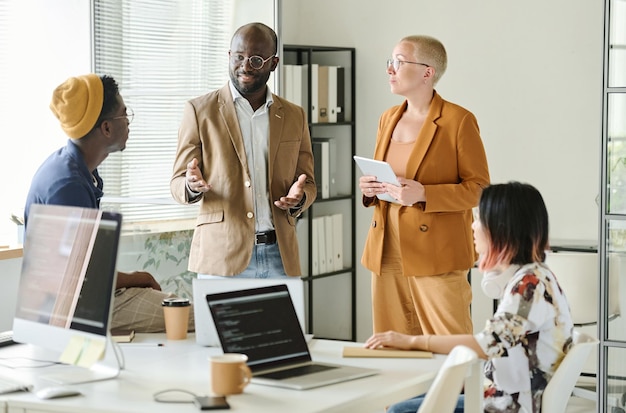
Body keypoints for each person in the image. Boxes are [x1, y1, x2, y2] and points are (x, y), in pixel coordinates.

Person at [365, 182, 574, 413]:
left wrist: (411, 341)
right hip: (504, 395)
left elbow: (486, 345)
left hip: (508, 405)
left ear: (501, 229)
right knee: (408, 402)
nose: (473, 227)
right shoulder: (536, 276)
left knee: (399, 410)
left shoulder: (529, 286)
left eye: (479, 220)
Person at [24, 73, 194, 333]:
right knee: (192, 316)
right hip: (74, 309)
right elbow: (81, 276)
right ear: (106, 128)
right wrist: (140, 278)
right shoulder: (68, 185)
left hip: (88, 296)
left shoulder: (76, 170)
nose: (128, 122)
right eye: (124, 115)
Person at [359, 34, 490, 336]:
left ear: (427, 72)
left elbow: (480, 188)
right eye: (390, 62)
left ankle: (454, 388)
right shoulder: (387, 118)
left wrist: (425, 194)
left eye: (399, 62)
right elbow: (388, 179)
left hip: (436, 253)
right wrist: (370, 189)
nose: (390, 69)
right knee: (391, 343)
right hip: (386, 248)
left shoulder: (459, 121)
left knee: (451, 345)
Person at [170, 22, 316, 279]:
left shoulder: (295, 115)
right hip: (222, 257)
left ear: (274, 63)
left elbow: (309, 182)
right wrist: (191, 185)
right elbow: (177, 183)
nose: (246, 65)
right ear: (229, 56)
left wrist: (300, 198)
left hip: (279, 257)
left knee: (283, 322)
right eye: (239, 57)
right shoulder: (199, 111)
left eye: (257, 59)